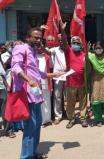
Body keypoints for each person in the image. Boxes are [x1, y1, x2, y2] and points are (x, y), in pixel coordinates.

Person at [11, 27, 62, 159]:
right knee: (30, 125)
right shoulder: (20, 48)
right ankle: (26, 156)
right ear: (28, 37)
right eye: (36, 37)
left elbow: (37, 73)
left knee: (37, 123)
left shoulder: (33, 51)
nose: (38, 40)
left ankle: (33, 153)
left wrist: (53, 74)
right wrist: (29, 81)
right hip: (26, 92)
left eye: (40, 38)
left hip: (36, 93)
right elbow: (15, 67)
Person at [60, 21, 88, 129]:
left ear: (81, 44)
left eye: (77, 43)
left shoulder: (84, 54)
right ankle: (71, 119)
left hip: (82, 82)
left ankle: (83, 118)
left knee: (83, 102)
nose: (76, 44)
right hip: (70, 82)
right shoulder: (69, 51)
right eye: (74, 42)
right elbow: (64, 41)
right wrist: (62, 30)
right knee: (70, 103)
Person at [85, 42, 104, 127]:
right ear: (94, 49)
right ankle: (98, 120)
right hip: (95, 80)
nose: (98, 49)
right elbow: (86, 61)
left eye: (100, 48)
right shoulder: (92, 56)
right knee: (96, 101)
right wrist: (87, 50)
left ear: (103, 48)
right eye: (96, 48)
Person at [49, 34, 66, 125]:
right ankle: (58, 116)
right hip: (58, 76)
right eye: (59, 40)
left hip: (69, 75)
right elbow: (45, 51)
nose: (60, 41)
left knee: (70, 96)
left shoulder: (70, 49)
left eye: (62, 39)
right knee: (57, 96)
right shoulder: (55, 49)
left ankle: (69, 115)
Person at [37, 43, 53, 127]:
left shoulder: (47, 56)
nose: (39, 48)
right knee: (38, 102)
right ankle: (40, 120)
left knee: (46, 101)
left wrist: (47, 54)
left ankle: (47, 120)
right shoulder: (33, 55)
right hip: (36, 82)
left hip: (46, 82)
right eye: (38, 46)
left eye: (41, 47)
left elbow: (51, 66)